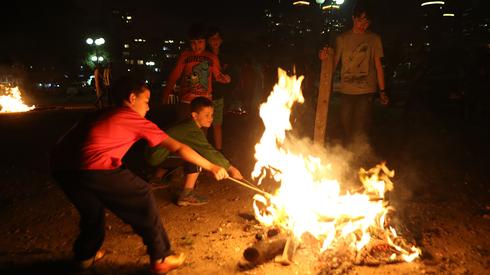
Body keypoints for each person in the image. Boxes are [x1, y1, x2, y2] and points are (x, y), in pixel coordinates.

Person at [50, 76, 230, 274]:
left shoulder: (103, 112)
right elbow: (178, 147)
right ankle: (162, 256)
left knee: (92, 210)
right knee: (142, 194)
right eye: (146, 101)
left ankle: (84, 256)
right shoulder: (131, 117)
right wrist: (211, 167)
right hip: (93, 166)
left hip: (62, 168)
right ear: (132, 98)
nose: (148, 107)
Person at [145, 96, 243, 206]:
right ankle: (187, 194)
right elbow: (208, 151)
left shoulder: (189, 125)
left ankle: (156, 179)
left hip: (154, 153)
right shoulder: (192, 131)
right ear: (195, 116)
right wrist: (230, 168)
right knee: (195, 156)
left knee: (182, 150)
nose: (210, 118)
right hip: (156, 156)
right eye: (206, 115)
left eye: (212, 115)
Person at [319, 3, 389, 148]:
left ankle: (359, 157)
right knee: (346, 127)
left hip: (366, 90)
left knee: (360, 127)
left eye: (367, 22)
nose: (363, 25)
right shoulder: (343, 39)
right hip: (346, 90)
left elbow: (378, 67)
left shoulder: (374, 39)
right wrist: (324, 59)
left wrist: (382, 91)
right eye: (360, 20)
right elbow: (333, 63)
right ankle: (349, 156)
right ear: (353, 18)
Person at [162, 22, 230, 123]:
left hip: (205, 102)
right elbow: (174, 75)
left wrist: (226, 79)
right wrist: (166, 94)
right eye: (193, 42)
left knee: (201, 134)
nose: (197, 46)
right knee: (183, 130)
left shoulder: (212, 57)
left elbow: (217, 75)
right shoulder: (185, 56)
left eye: (200, 42)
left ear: (205, 41)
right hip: (186, 101)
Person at [206, 26, 239, 151]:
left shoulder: (226, 57)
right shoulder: (205, 56)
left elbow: (233, 74)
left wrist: (229, 78)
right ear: (208, 41)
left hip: (218, 96)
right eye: (212, 38)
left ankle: (219, 151)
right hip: (205, 96)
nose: (215, 41)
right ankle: (203, 151)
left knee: (217, 124)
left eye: (217, 38)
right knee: (203, 125)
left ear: (221, 40)